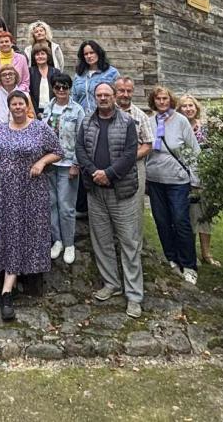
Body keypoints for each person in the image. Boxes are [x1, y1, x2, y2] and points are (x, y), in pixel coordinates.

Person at [0, 90, 62, 321]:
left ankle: (9, 290)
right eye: (14, 104)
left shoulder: (39, 128)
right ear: (9, 107)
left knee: (26, 233)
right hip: (3, 192)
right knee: (6, 234)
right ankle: (9, 281)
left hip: (30, 191)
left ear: (27, 105)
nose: (17, 107)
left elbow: (58, 151)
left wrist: (41, 161)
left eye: (21, 103)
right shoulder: (0, 129)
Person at [75, 81, 146, 317]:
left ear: (114, 96)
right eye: (99, 95)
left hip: (121, 190)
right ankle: (111, 283)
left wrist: (109, 174)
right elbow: (80, 150)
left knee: (129, 242)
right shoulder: (87, 120)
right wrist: (94, 172)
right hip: (95, 190)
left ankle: (134, 295)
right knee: (102, 240)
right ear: (95, 97)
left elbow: (129, 154)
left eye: (107, 94)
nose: (103, 98)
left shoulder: (127, 122)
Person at [146, 85, 202, 285]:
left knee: (180, 221)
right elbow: (145, 149)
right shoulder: (149, 122)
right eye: (158, 99)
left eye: (165, 98)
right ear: (153, 101)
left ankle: (189, 264)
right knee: (162, 221)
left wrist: (195, 180)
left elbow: (194, 150)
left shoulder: (181, 122)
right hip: (155, 179)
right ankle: (171, 259)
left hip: (178, 180)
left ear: (170, 100)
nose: (162, 102)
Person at [43, 72, 84, 265]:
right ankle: (57, 240)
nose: (61, 91)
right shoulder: (47, 109)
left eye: (65, 87)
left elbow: (81, 139)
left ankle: (69, 243)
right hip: (50, 163)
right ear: (53, 88)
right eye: (58, 87)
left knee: (66, 206)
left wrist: (76, 163)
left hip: (68, 164)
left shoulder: (77, 110)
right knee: (51, 204)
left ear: (70, 89)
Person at [178, 93, 219, 267]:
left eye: (191, 106)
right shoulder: (178, 128)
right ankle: (190, 253)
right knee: (190, 216)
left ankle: (206, 253)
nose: (188, 109)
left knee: (206, 215)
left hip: (205, 175)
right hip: (186, 177)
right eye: (184, 106)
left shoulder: (206, 127)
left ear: (196, 108)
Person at [114, 76, 156, 217]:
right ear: (115, 91)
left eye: (129, 91)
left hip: (135, 165)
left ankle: (135, 238)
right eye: (121, 91)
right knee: (112, 204)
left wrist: (129, 158)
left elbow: (148, 144)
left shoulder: (141, 116)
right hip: (109, 164)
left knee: (135, 207)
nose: (125, 95)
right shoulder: (106, 111)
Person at [71, 40, 119, 115]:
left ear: (98, 53)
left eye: (92, 52)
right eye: (86, 54)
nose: (89, 56)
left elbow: (118, 97)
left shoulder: (112, 73)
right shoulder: (79, 74)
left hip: (105, 116)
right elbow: (74, 98)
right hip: (82, 118)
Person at [0, 30, 30, 96]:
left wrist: (17, 93)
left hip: (17, 98)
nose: (4, 44)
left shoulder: (22, 59)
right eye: (1, 42)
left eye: (6, 41)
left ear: (12, 43)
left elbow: (25, 80)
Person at [28, 41, 62, 117]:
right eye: (37, 54)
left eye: (43, 54)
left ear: (48, 56)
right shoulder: (30, 71)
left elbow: (59, 91)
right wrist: (36, 112)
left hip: (54, 111)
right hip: (35, 111)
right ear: (34, 57)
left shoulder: (56, 72)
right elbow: (29, 93)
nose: (40, 56)